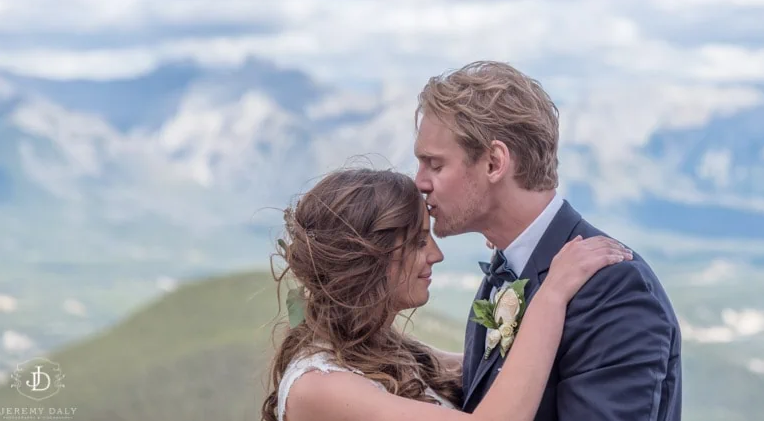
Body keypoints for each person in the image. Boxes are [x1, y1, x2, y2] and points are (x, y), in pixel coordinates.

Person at [414, 61, 683, 421]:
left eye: (434, 164)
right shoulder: (506, 269)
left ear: (494, 163)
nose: (419, 181)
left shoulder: (614, 288)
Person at [261, 167, 632, 421]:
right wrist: (551, 292)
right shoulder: (318, 386)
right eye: (420, 241)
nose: (436, 254)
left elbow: (493, 369)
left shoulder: (388, 352)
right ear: (369, 260)